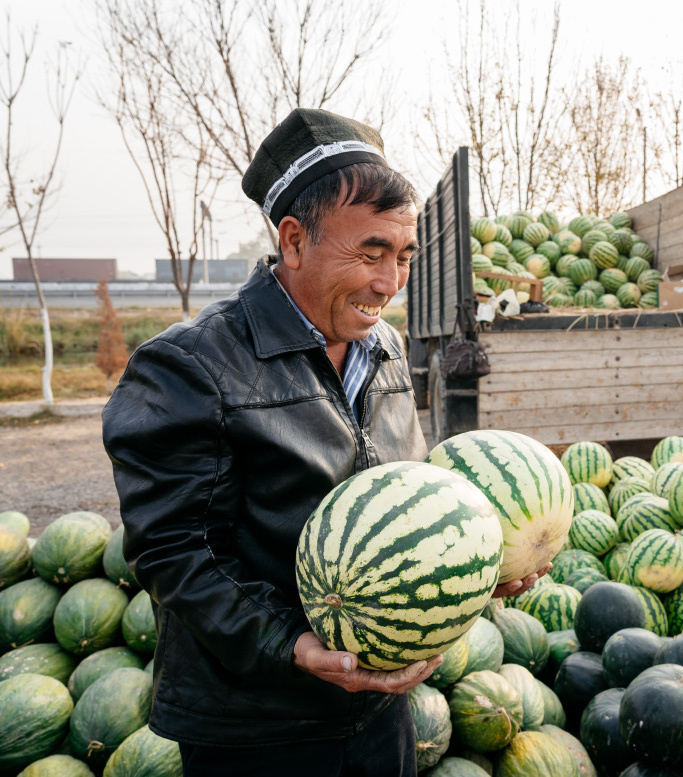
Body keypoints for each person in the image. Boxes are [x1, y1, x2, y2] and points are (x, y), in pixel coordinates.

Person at [103, 109, 548, 777]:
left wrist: (477, 562)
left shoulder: (387, 349)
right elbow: (174, 551)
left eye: (403, 257)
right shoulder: (190, 365)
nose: (390, 282)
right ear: (293, 240)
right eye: (370, 252)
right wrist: (293, 644)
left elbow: (410, 498)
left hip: (380, 710)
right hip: (258, 725)